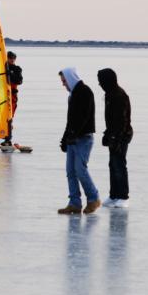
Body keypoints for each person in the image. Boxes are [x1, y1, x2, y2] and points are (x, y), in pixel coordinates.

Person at [58, 67, 101, 215]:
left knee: (80, 170)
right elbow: (70, 120)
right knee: (71, 172)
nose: (63, 84)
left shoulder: (84, 92)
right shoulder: (72, 95)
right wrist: (65, 138)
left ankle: (94, 198)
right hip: (72, 139)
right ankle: (74, 203)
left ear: (70, 78)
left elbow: (84, 117)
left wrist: (74, 134)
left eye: (64, 81)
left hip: (83, 138)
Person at [97, 68, 133, 208]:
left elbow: (123, 120)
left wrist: (117, 138)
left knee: (119, 165)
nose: (99, 84)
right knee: (113, 164)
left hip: (122, 135)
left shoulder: (119, 95)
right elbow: (111, 120)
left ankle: (123, 196)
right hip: (113, 135)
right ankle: (114, 195)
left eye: (101, 81)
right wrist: (108, 134)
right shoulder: (109, 94)